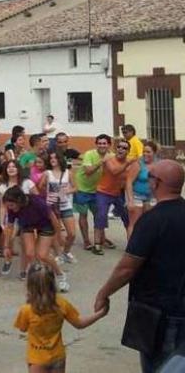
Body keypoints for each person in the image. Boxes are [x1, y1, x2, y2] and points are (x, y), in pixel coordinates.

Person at [94, 159, 185, 372]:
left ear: (157, 183)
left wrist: (104, 292)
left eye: (149, 177)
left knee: (159, 366)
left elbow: (127, 267)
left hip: (158, 313)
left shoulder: (152, 220)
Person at [15, 262, 106, 372]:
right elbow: (80, 323)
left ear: (30, 285)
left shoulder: (26, 310)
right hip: (58, 355)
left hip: (37, 358)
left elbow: (23, 328)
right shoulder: (61, 304)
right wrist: (100, 314)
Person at [2, 187, 69, 291]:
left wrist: (58, 236)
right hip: (27, 224)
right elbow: (9, 226)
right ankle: (38, 278)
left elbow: (53, 218)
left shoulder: (38, 202)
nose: (10, 208)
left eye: (11, 205)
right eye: (8, 205)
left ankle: (60, 275)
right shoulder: (12, 209)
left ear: (19, 201)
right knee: (29, 253)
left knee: (42, 255)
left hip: (45, 225)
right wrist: (6, 246)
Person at [93, 138, 137, 254]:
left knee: (127, 218)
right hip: (103, 192)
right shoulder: (109, 159)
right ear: (116, 148)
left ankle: (131, 246)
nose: (121, 149)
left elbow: (129, 181)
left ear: (128, 151)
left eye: (124, 148)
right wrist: (128, 163)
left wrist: (130, 199)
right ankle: (97, 244)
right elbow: (114, 171)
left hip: (118, 194)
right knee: (101, 216)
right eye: (119, 147)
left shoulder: (130, 164)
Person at [73, 134, 110, 252]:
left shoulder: (112, 156)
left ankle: (102, 238)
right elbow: (88, 171)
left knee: (99, 215)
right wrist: (101, 162)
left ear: (109, 145)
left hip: (98, 190)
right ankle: (86, 241)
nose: (102, 145)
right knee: (83, 215)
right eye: (99, 143)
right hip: (82, 188)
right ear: (96, 144)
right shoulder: (89, 154)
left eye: (104, 143)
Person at [127, 141, 158, 237]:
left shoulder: (158, 164)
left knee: (149, 223)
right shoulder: (138, 164)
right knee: (134, 223)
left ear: (154, 153)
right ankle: (131, 248)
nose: (145, 154)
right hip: (137, 196)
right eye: (144, 151)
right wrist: (130, 200)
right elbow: (128, 182)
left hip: (152, 197)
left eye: (148, 152)